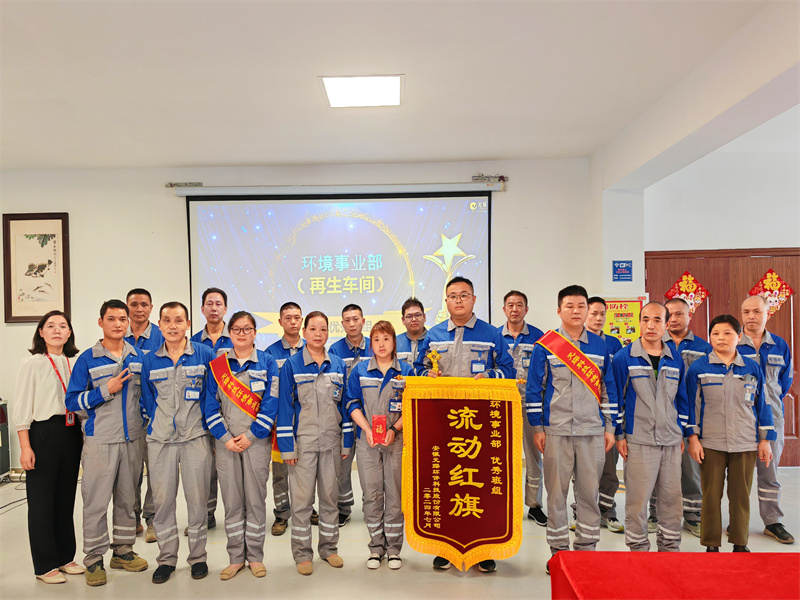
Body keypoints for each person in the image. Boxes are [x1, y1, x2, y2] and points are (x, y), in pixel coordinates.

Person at [415, 276, 515, 573]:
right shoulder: (433, 335)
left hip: (479, 426)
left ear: (473, 299)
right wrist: (426, 375)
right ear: (446, 301)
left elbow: (508, 369)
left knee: (480, 486)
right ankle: (445, 548)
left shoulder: (491, 334)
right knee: (444, 483)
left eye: (464, 295)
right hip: (442, 424)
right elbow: (419, 369)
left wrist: (490, 377)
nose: (458, 300)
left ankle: (483, 549)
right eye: (453, 296)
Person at [527, 285, 617, 574]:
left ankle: (586, 552)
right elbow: (535, 390)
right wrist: (538, 427)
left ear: (588, 310)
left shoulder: (601, 346)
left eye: (581, 306)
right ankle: (558, 554)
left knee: (589, 494)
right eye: (570, 306)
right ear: (559, 310)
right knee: (556, 495)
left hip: (592, 431)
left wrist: (610, 427)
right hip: (556, 431)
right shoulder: (545, 345)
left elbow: (608, 388)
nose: (576, 311)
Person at [65, 300, 149, 587]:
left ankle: (123, 551)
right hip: (100, 440)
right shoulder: (88, 359)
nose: (118, 324)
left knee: (127, 499)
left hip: (133, 439)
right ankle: (94, 559)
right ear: (101, 322)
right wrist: (105, 390)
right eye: (111, 319)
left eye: (122, 319)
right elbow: (72, 401)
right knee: (96, 502)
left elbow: (147, 397)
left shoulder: (139, 357)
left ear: (128, 323)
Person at [141, 301, 216, 583]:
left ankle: (198, 557)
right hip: (160, 440)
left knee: (198, 500)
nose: (172, 326)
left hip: (195, 437)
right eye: (167, 320)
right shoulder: (150, 360)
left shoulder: (204, 354)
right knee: (162, 502)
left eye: (178, 320)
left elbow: (212, 395)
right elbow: (148, 399)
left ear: (188, 324)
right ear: (159, 324)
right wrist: (160, 423)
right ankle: (166, 559)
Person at [686, 314, 775, 552]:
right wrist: (693, 438)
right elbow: (692, 406)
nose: (721, 338)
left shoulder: (752, 368)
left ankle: (740, 543)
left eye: (727, 333)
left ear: (739, 336)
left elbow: (763, 404)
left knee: (740, 496)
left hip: (745, 442)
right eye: (715, 333)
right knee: (710, 495)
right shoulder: (699, 368)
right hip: (711, 443)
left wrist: (765, 440)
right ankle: (711, 544)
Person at [276, 311, 354, 575]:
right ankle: (302, 554)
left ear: (328, 333)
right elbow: (285, 408)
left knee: (330, 499)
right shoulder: (292, 365)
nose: (318, 334)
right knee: (302, 502)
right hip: (304, 445)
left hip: (331, 444)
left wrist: (346, 442)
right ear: (304, 332)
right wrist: (288, 447)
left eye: (323, 329)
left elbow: (345, 406)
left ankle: (329, 549)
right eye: (313, 329)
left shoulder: (338, 365)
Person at [204, 311, 280, 580]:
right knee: (232, 501)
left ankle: (255, 557)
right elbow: (210, 405)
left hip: (256, 442)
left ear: (255, 333)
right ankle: (236, 557)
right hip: (226, 444)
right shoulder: (218, 366)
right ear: (230, 333)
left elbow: (272, 402)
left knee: (256, 500)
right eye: (236, 329)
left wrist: (252, 434)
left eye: (247, 329)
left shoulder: (268, 363)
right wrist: (225, 438)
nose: (241, 334)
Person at [14, 311, 84, 584]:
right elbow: (22, 406)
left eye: (63, 326)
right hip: (43, 432)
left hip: (71, 432)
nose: (57, 330)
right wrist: (25, 446)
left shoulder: (74, 362)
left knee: (65, 499)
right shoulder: (32, 363)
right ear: (41, 332)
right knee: (42, 501)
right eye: (50, 326)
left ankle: (65, 557)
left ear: (69, 333)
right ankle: (44, 565)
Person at [613, 302, 688, 552]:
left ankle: (669, 548)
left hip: (670, 440)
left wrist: (681, 433)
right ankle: (638, 549)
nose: (651, 325)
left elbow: (682, 400)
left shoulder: (675, 359)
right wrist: (620, 435)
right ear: (639, 323)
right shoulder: (624, 357)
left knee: (671, 499)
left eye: (657, 320)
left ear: (666, 325)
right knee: (638, 500)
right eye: (645, 319)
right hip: (639, 439)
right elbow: (617, 399)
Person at [346, 321, 415, 570]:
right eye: (376, 340)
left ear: (394, 342)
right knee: (372, 495)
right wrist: (367, 429)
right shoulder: (360, 370)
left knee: (395, 494)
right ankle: (376, 548)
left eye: (386, 339)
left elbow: (412, 406)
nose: (381, 344)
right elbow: (352, 403)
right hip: (368, 442)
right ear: (371, 344)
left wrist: (394, 430)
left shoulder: (406, 370)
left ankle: (394, 549)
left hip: (396, 442)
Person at [738, 295, 794, 544]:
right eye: (746, 312)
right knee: (739, 476)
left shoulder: (780, 345)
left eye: (757, 311)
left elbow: (784, 382)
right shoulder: (734, 343)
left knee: (769, 474)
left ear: (767, 314)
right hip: (740, 420)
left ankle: (772, 522)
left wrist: (768, 403)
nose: (751, 316)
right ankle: (738, 521)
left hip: (772, 419)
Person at [265, 302, 318, 536]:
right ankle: (282, 513)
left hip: (307, 423)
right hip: (281, 423)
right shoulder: (270, 353)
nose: (293, 322)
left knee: (308, 469)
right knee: (280, 472)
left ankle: (308, 508)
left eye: (297, 317)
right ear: (280, 322)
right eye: (288, 318)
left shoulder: (313, 348)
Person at [661, 297, 712, 537]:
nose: (673, 319)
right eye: (669, 314)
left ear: (689, 316)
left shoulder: (703, 348)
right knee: (657, 469)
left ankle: (693, 515)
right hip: (660, 417)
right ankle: (655, 513)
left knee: (691, 470)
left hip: (692, 417)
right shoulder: (654, 342)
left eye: (679, 314)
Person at [498, 290, 547, 526]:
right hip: (501, 408)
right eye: (510, 305)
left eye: (519, 305)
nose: (515, 309)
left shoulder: (539, 337)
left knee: (533, 456)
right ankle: (502, 504)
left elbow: (545, 374)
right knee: (500, 457)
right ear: (504, 309)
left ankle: (534, 505)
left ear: (526, 309)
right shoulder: (496, 336)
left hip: (529, 406)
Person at [190, 287, 233, 533]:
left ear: (225, 308)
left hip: (233, 413)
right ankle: (207, 514)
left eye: (218, 304)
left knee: (229, 467)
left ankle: (236, 514)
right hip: (201, 413)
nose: (214, 308)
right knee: (205, 468)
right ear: (202, 309)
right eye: (209, 304)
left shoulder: (237, 337)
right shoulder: (193, 342)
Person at [580, 296, 624, 533]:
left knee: (608, 469)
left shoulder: (614, 344)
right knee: (582, 470)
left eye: (602, 314)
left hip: (607, 417)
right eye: (593, 313)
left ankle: (608, 511)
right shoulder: (572, 345)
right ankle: (582, 513)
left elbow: (616, 382)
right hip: (580, 417)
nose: (598, 318)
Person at [125, 288, 163, 544]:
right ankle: (131, 519)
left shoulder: (161, 337)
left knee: (156, 471)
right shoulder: (118, 335)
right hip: (128, 419)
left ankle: (152, 520)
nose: (139, 309)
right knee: (131, 473)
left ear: (151, 308)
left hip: (156, 417)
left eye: (144, 304)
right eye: (134, 304)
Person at [329, 303, 373, 527]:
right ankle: (343, 508)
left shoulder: (375, 346)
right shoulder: (335, 350)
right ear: (342, 323)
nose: (352, 324)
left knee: (370, 467)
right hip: (344, 418)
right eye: (347, 320)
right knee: (342, 466)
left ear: (363, 321)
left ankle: (371, 507)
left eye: (356, 319)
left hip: (370, 418)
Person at [396, 297, 427, 368]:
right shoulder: (395, 343)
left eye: (417, 315)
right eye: (409, 316)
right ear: (403, 320)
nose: (414, 319)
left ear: (424, 317)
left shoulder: (433, 340)